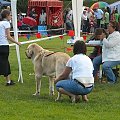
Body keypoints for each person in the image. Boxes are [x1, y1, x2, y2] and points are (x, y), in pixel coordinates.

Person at [0, 9, 21, 86]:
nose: (11, 17)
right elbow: (8, 36)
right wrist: (17, 42)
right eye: (10, 15)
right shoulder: (6, 23)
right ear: (7, 16)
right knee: (5, 63)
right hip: (4, 46)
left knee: (3, 63)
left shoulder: (0, 23)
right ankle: (8, 81)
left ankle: (8, 81)